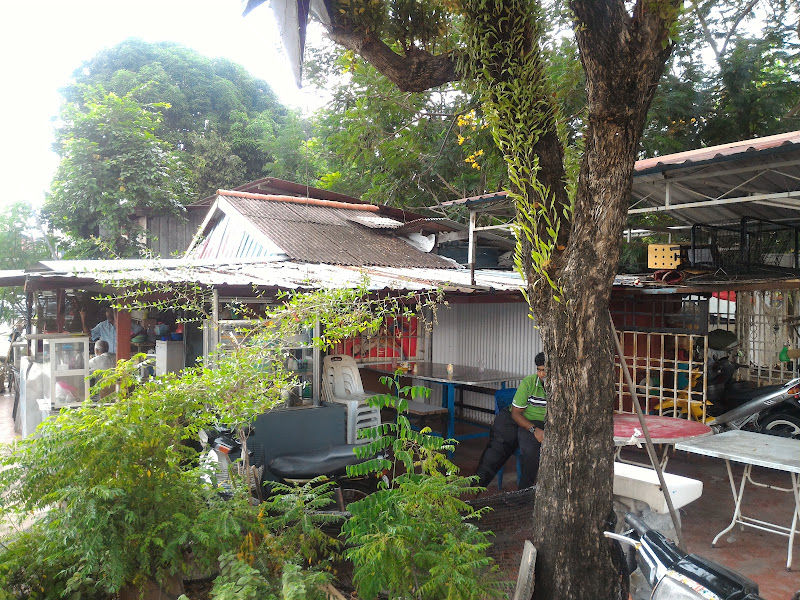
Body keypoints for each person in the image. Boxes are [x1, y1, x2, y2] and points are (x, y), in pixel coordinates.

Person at [476, 352, 548, 489]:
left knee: (530, 452)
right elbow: (515, 413)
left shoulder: (562, 386)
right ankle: (473, 492)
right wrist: (534, 430)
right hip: (514, 419)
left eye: (545, 370)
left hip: (535, 424)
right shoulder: (529, 382)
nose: (542, 374)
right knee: (495, 453)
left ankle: (522, 494)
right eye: (539, 370)